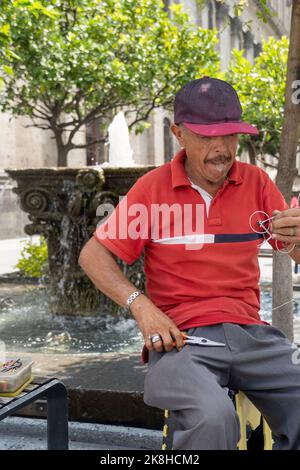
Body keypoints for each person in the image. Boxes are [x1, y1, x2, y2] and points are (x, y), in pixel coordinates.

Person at [79, 77, 300, 450]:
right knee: (212, 418)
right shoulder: (153, 188)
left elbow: (293, 251)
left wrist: (298, 238)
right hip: (183, 341)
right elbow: (92, 255)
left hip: (252, 334)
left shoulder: (256, 182)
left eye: (229, 135)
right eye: (206, 136)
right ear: (178, 134)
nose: (221, 148)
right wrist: (142, 307)